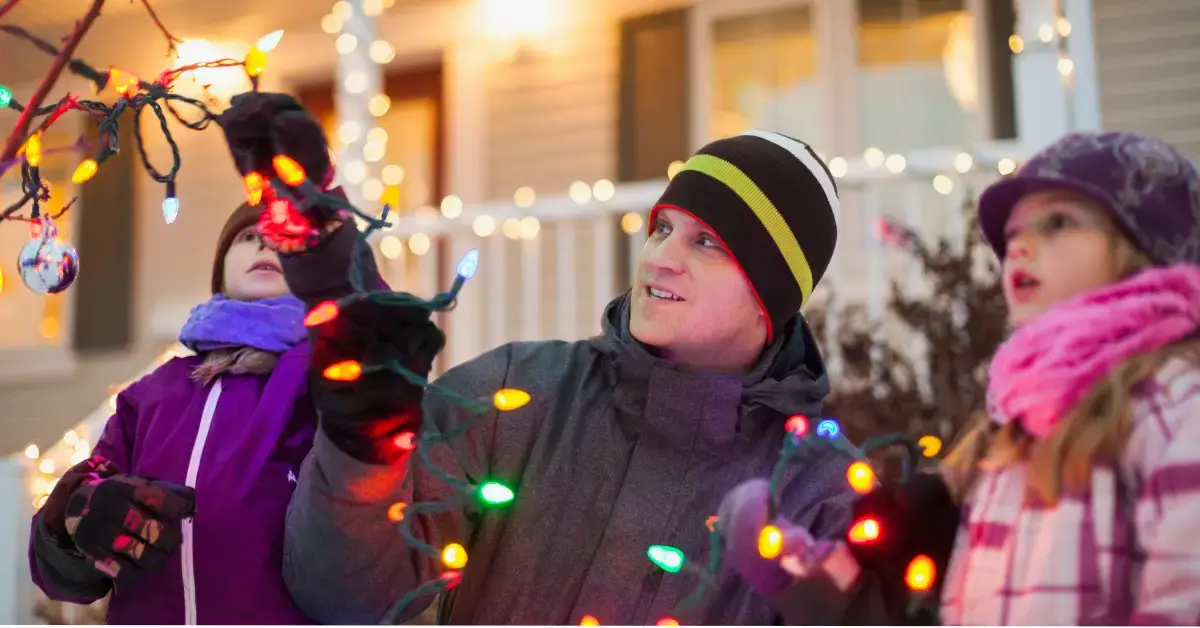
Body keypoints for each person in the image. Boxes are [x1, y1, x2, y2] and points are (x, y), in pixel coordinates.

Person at [278, 129, 861, 624]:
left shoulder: (818, 498)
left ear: (771, 294)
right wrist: (362, 448)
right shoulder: (516, 392)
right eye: (663, 229)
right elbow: (346, 600)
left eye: (706, 242)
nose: (658, 257)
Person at [718, 131, 1200, 625]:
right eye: (1012, 236)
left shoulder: (1176, 410)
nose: (1021, 247)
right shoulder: (1014, 429)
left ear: (1143, 250)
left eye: (1058, 222)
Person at [29, 202, 324, 624]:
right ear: (220, 272)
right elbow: (62, 567)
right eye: (246, 236)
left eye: (286, 236)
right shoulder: (154, 393)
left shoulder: (327, 382)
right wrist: (78, 519)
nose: (264, 240)